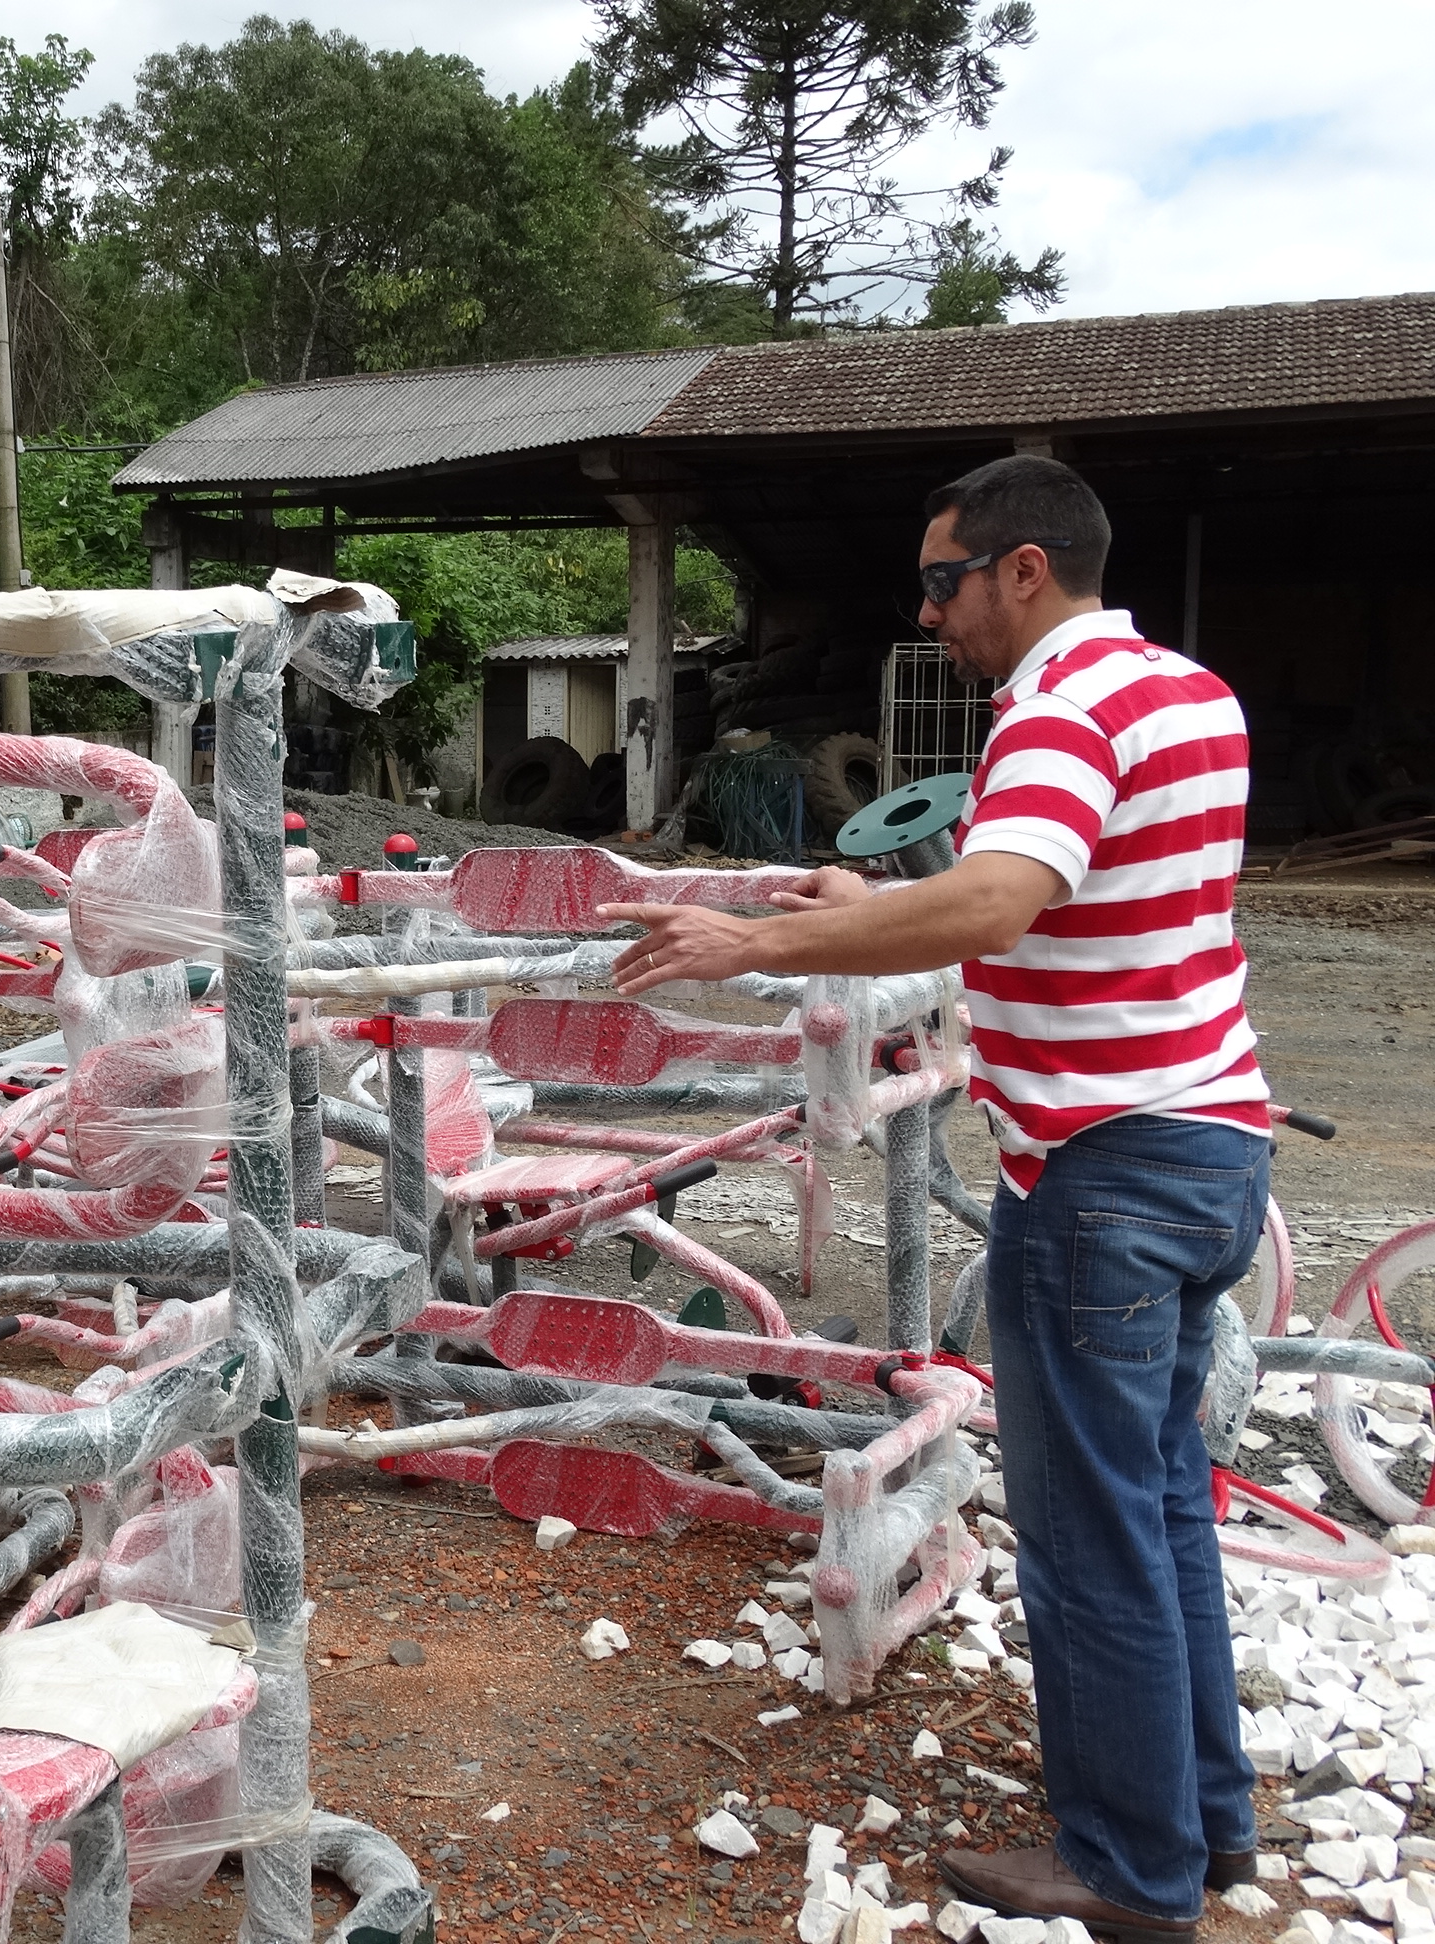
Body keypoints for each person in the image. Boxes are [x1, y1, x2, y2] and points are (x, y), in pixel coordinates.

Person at [602, 454, 1269, 1941]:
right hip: (1212, 1143)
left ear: (1024, 569)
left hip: (1096, 1167)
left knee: (1089, 1532)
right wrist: (864, 910)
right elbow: (1069, 908)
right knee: (1161, 1508)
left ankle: (1127, 1870)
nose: (932, 612)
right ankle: (1203, 1827)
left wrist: (746, 947)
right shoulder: (1188, 693)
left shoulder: (1055, 705)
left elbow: (995, 900)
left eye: (945, 580)